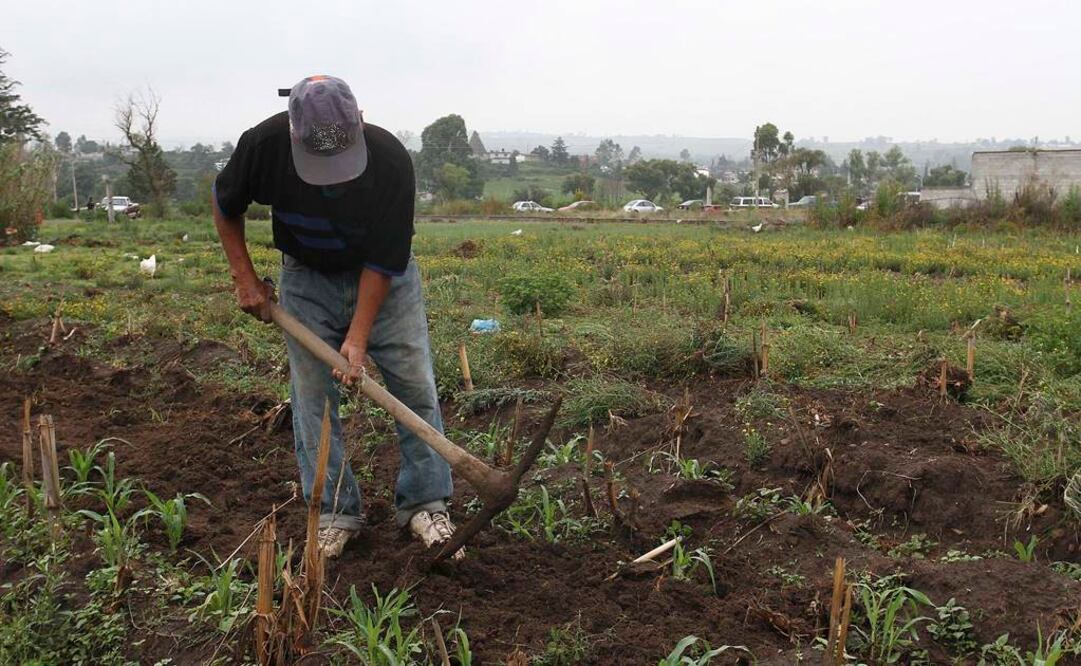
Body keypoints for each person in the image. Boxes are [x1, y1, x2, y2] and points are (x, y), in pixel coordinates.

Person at [212, 75, 459, 559]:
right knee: (312, 399)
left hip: (385, 280)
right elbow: (225, 206)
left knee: (414, 385)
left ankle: (426, 503)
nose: (334, 178)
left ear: (359, 122)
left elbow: (384, 261)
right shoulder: (262, 147)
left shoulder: (389, 160)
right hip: (306, 278)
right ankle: (334, 513)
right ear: (293, 134)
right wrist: (245, 278)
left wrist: (358, 337)